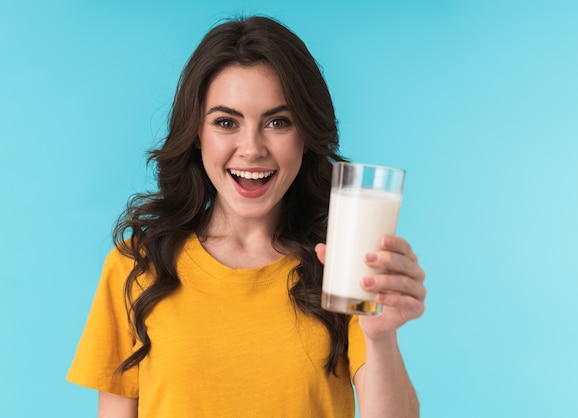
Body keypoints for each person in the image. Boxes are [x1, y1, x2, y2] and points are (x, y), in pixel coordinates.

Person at [67, 15, 426, 418]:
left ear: (305, 135)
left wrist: (380, 338)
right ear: (196, 133)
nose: (252, 149)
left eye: (278, 122)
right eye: (226, 122)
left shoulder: (341, 266)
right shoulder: (136, 266)